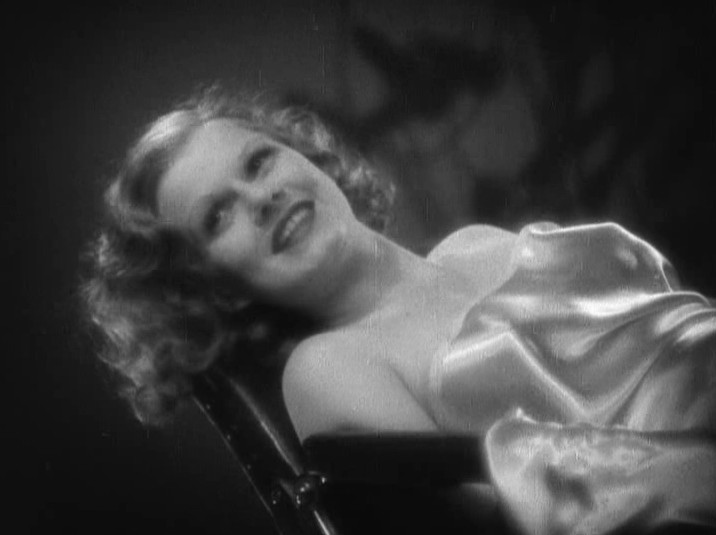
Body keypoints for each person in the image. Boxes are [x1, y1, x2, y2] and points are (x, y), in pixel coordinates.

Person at [84, 88, 715, 535]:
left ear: (304, 156)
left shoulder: (477, 243)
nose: (262, 197)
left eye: (258, 161)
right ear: (211, 289)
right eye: (218, 216)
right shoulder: (326, 366)